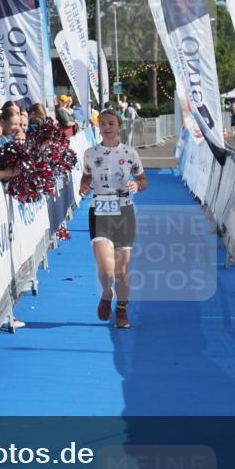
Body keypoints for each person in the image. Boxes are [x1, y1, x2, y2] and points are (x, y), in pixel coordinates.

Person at [78, 109, 149, 329]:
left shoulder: (130, 153)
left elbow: (143, 180)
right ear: (99, 128)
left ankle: (121, 309)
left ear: (119, 127)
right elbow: (87, 175)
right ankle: (107, 294)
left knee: (122, 270)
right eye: (103, 124)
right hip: (99, 211)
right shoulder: (90, 153)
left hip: (124, 212)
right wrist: (84, 185)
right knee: (106, 270)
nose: (107, 127)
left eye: (111, 124)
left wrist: (137, 185)